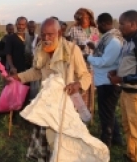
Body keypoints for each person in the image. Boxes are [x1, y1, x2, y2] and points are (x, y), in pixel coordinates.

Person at [9, 18, 92, 161]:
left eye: (50, 34)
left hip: (65, 108)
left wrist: (77, 85)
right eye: (43, 34)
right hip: (46, 106)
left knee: (63, 148)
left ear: (59, 33)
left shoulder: (72, 50)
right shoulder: (41, 50)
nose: (46, 38)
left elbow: (85, 75)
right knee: (44, 146)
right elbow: (36, 72)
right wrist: (18, 77)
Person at [85, 13, 123, 147]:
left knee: (106, 114)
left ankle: (106, 142)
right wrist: (94, 48)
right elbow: (104, 54)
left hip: (109, 82)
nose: (97, 27)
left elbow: (105, 61)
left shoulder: (113, 41)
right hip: (104, 81)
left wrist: (88, 58)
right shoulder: (107, 39)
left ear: (103, 23)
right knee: (109, 112)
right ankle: (116, 139)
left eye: (98, 24)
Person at [108, 10, 137, 162]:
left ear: (133, 24)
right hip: (126, 91)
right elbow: (129, 63)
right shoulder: (128, 42)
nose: (119, 27)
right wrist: (116, 71)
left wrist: (122, 77)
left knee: (136, 129)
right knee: (127, 126)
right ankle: (131, 154)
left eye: (122, 23)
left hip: (135, 94)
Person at [25, 20, 41, 100]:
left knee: (34, 82)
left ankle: (33, 99)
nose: (31, 28)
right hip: (25, 62)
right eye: (30, 26)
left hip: (34, 62)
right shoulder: (24, 36)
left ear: (35, 27)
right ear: (27, 27)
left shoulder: (37, 37)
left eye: (33, 26)